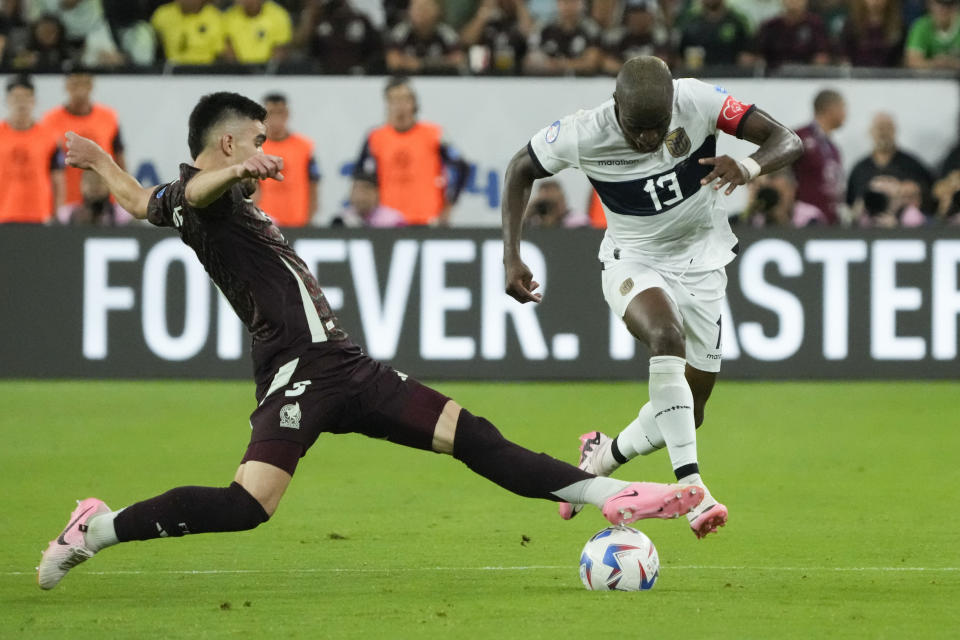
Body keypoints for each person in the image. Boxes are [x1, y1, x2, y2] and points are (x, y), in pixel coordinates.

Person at [37, 91, 706, 590]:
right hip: (297, 372)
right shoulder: (206, 198)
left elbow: (138, 202)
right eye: (258, 137)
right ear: (230, 145)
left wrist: (100, 160)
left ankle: (605, 493)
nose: (268, 145)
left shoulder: (197, 200)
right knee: (247, 506)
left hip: (345, 366)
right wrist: (237, 174)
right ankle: (95, 528)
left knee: (471, 435)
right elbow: (191, 191)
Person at [500, 56, 803, 538]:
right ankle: (694, 489)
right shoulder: (584, 132)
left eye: (657, 128)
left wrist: (747, 165)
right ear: (616, 105)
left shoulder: (699, 100)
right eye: (637, 129)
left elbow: (788, 140)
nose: (648, 140)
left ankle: (602, 455)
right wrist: (512, 256)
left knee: (689, 411)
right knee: (666, 335)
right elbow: (520, 167)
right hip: (632, 260)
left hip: (703, 260)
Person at [354, 76, 469, 225]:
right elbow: (361, 178)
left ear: (413, 103)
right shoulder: (375, 137)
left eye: (404, 99)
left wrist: (449, 205)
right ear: (387, 104)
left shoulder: (433, 134)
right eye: (394, 100)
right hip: (387, 220)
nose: (399, 106)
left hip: (427, 218)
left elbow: (462, 167)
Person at [42, 72, 125, 208]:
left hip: (104, 201)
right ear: (66, 86)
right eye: (75, 84)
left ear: (91, 85)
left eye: (84, 84)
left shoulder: (108, 118)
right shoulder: (50, 121)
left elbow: (119, 159)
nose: (80, 90)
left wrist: (123, 195)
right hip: (67, 201)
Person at [0, 74, 64, 224]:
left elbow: (58, 180)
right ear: (7, 101)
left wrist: (57, 215)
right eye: (16, 98)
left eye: (25, 98)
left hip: (39, 216)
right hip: (3, 215)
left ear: (33, 100)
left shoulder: (50, 137)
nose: (20, 104)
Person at [256, 93, 320, 227]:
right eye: (271, 113)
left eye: (280, 112)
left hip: (298, 221)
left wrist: (309, 218)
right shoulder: (255, 148)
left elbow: (313, 184)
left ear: (287, 114)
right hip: (264, 223)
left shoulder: (304, 146)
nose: (276, 118)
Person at [846, 113, 933, 211]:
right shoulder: (859, 170)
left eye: (887, 128)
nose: (883, 133)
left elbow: (932, 196)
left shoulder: (913, 165)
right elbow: (850, 204)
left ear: (894, 130)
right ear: (870, 132)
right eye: (879, 128)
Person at [793, 88, 846, 225]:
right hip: (807, 221)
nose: (845, 113)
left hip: (830, 220)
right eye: (842, 107)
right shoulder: (800, 137)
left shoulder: (833, 148)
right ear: (830, 108)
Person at [294, 0, 384, 74]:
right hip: (323, 74)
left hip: (355, 74)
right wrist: (310, 17)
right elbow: (302, 47)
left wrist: (365, 67)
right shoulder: (318, 18)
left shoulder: (360, 18)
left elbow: (375, 48)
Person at [385, 0, 465, 74]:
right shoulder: (401, 31)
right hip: (408, 79)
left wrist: (423, 64)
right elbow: (393, 62)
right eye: (417, 8)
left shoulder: (446, 32)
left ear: (437, 11)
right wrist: (444, 61)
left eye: (426, 8)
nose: (421, 13)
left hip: (440, 80)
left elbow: (459, 60)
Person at [524, 0, 602, 75]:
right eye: (565, 2)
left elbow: (592, 64)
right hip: (547, 82)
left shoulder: (590, 29)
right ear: (557, 3)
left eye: (573, 2)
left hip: (583, 83)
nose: (568, 7)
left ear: (581, 3)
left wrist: (560, 65)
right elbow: (529, 61)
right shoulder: (544, 28)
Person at [599, 0, 672, 75]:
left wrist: (626, 69)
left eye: (642, 13)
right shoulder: (617, 36)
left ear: (650, 15)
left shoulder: (660, 35)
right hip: (620, 82)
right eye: (633, 14)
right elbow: (607, 63)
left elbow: (661, 64)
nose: (637, 18)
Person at [676, 0, 755, 68]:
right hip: (699, 79)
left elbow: (749, 54)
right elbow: (679, 57)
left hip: (732, 78)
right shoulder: (690, 23)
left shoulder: (738, 21)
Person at [755, 0, 830, 70]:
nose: (793, 1)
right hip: (774, 76)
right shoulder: (770, 26)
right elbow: (758, 54)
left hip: (807, 76)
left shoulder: (815, 25)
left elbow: (822, 54)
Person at [150, 0, 225, 65]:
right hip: (171, 72)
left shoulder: (215, 17)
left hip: (204, 72)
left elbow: (222, 53)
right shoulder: (162, 15)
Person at [836, 0, 904, 67]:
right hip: (858, 75)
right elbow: (844, 57)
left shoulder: (899, 27)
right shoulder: (851, 26)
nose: (876, 1)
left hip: (889, 76)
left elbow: (900, 60)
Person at [222, 0, 292, 64]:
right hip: (237, 72)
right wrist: (238, 71)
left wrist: (267, 73)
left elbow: (280, 49)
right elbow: (227, 50)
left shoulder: (279, 15)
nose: (250, 2)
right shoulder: (228, 17)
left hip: (269, 72)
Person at [56, 168, 135, 225]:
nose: (94, 185)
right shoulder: (66, 215)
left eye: (99, 180)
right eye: (89, 180)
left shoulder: (122, 215)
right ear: (81, 185)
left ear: (110, 185)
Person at [331, 172, 406, 227]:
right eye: (356, 189)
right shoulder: (342, 220)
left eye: (366, 189)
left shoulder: (393, 220)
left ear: (377, 193)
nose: (360, 195)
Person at [905, 0, 960, 70]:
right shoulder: (921, 26)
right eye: (939, 3)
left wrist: (949, 62)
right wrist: (937, 63)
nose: (943, 9)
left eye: (949, 4)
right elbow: (912, 61)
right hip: (928, 79)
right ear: (930, 4)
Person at [523, 179, 589, 227]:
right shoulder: (535, 221)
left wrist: (553, 220)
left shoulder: (578, 220)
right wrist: (528, 212)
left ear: (562, 200)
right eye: (544, 203)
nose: (548, 207)